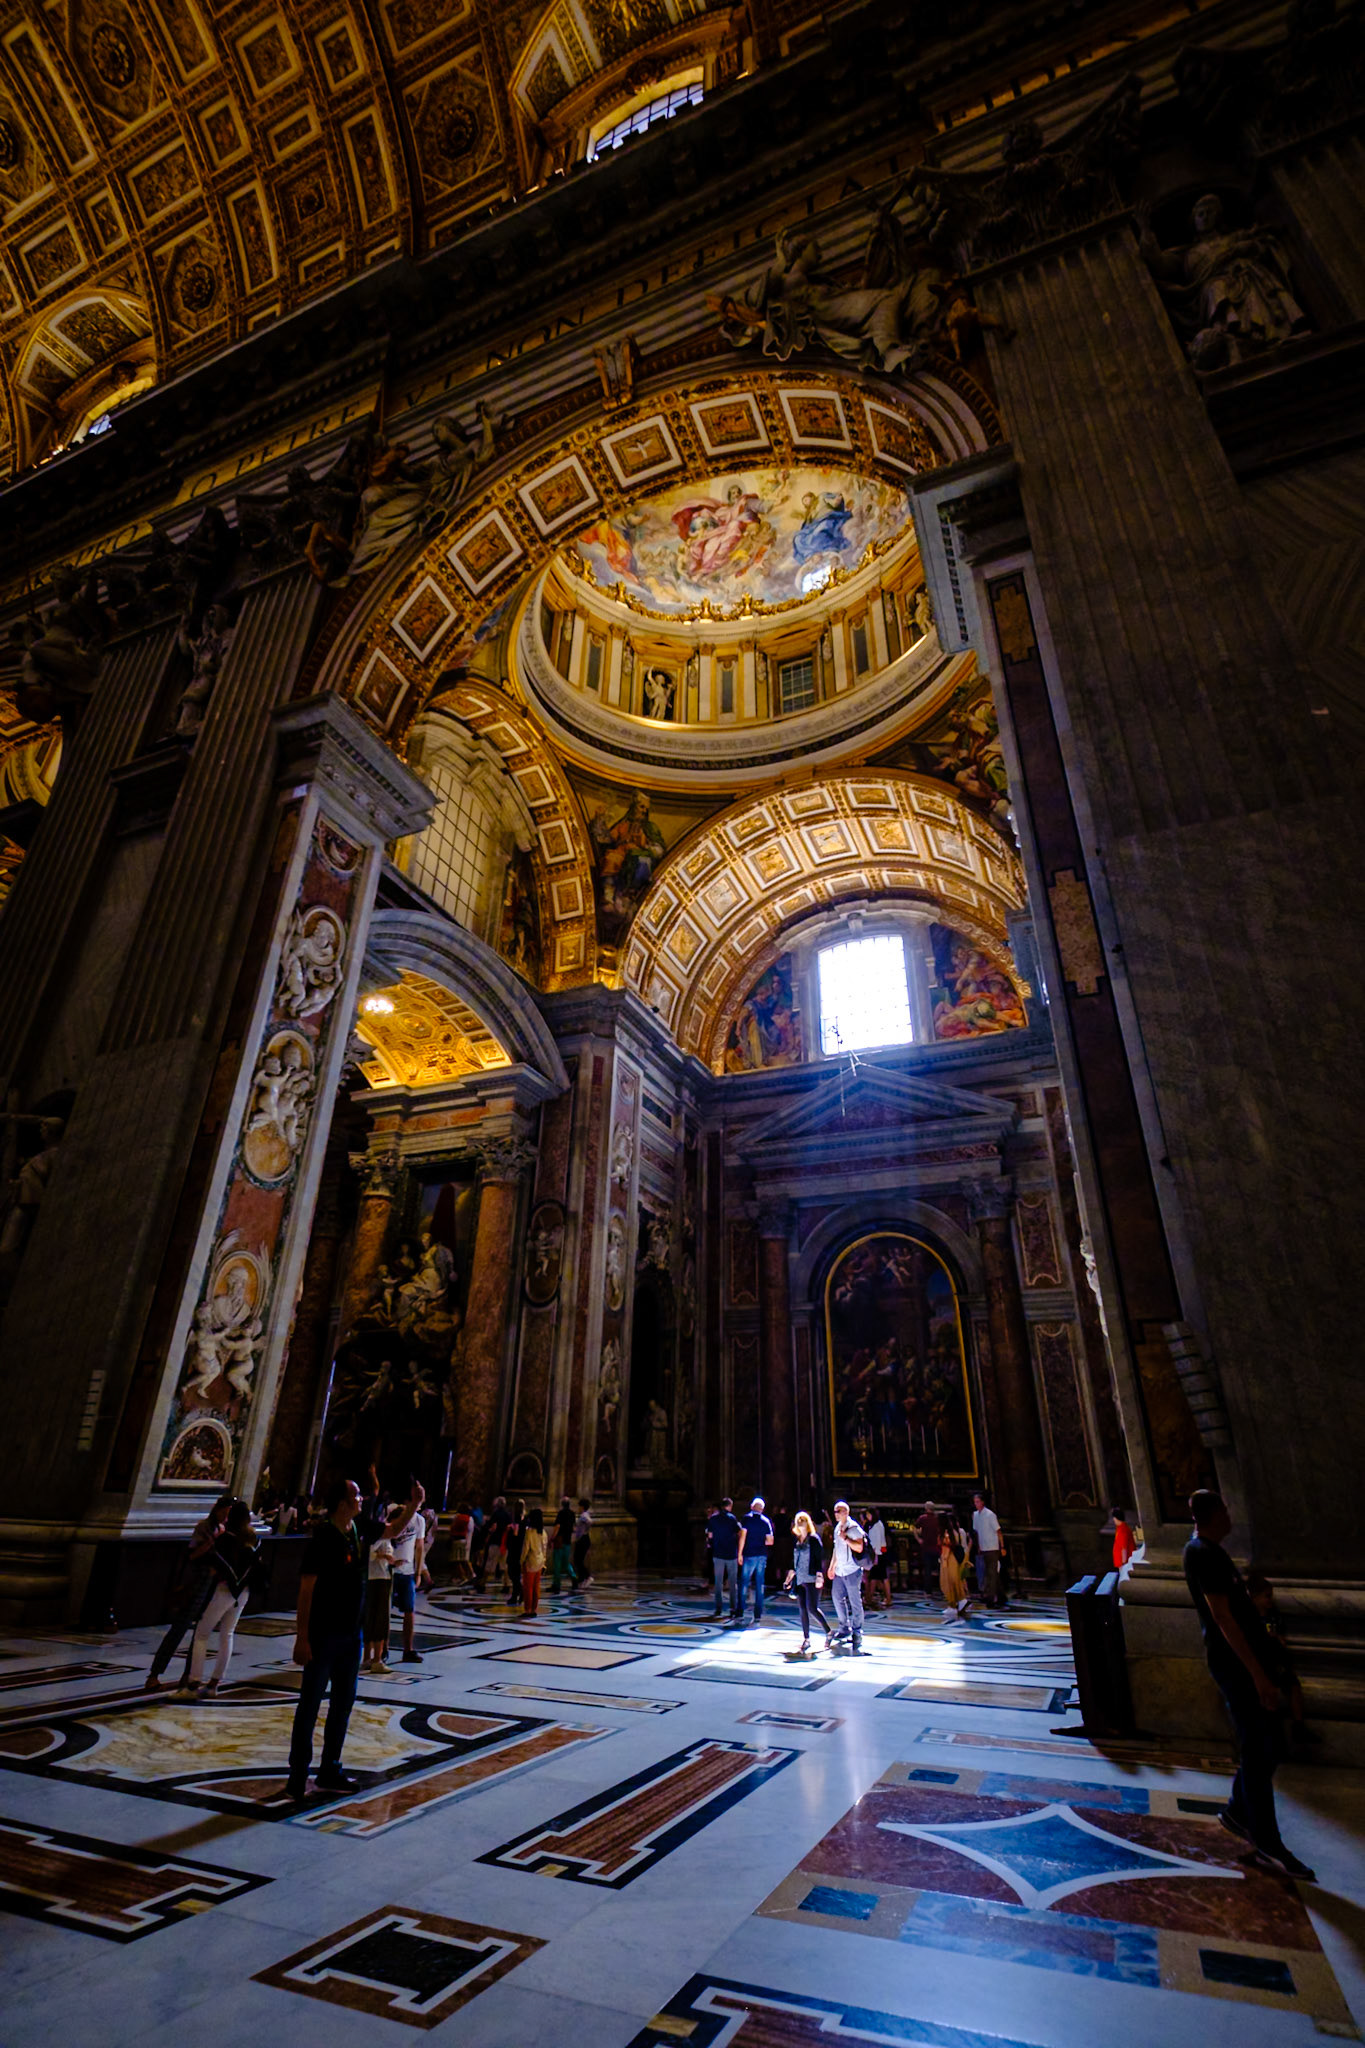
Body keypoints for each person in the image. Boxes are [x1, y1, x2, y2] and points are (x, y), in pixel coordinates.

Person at [1183, 1489, 1314, 1880]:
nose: (1230, 1515)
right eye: (1225, 1509)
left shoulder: (1212, 1552)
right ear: (1212, 1514)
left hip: (1247, 1662)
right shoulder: (1202, 1553)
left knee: (1267, 1745)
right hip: (1236, 1666)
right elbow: (1223, 1618)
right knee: (1258, 1750)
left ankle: (1240, 1812)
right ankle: (1267, 1842)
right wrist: (1257, 1675)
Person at [288, 1477, 368, 1801]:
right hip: (323, 1635)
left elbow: (390, 1531)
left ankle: (330, 1768)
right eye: (357, 1494)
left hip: (352, 1636)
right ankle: (298, 1773)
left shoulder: (354, 1534)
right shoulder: (323, 1537)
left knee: (342, 1704)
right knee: (310, 1704)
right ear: (342, 1503)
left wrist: (416, 1504)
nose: (362, 1499)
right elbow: (306, 1589)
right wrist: (302, 1637)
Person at [145, 1491, 235, 1691]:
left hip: (213, 1585)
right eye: (226, 1512)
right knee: (179, 1629)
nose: (227, 1517)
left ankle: (189, 1675)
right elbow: (193, 1555)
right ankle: (154, 1674)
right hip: (197, 1583)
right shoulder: (204, 1527)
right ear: (218, 1510)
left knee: (200, 1634)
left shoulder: (226, 1529)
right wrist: (213, 1541)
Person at [184, 1500, 262, 1696]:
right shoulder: (255, 1539)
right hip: (243, 1592)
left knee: (201, 1633)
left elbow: (214, 1561)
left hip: (224, 1590)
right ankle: (214, 1684)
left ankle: (193, 1683)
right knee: (227, 1634)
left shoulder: (226, 1538)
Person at [1247, 1571, 1319, 1749]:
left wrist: (1278, 1639)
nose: (1270, 1601)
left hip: (1277, 1661)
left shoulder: (1273, 1615)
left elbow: (1279, 1634)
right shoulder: (1249, 1619)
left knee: (1293, 1686)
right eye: (1266, 1597)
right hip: (1262, 1665)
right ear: (1253, 1598)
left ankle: (1298, 1725)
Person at [783, 1511, 832, 1653]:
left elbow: (819, 1558)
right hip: (800, 1578)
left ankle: (828, 1631)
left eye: (803, 1521)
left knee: (812, 1608)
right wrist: (790, 1576)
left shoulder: (814, 1539)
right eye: (798, 1521)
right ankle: (806, 1638)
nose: (800, 1524)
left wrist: (819, 1575)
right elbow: (794, 1560)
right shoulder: (798, 1541)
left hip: (811, 1578)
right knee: (802, 1609)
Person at [390, 1486, 428, 1664]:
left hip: (407, 1571)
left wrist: (418, 1572)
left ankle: (408, 1649)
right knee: (383, 1612)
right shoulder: (392, 1512)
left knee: (409, 1610)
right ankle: (380, 1649)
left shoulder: (419, 1521)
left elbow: (419, 1547)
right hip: (388, 1569)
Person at [828, 1500, 868, 1653]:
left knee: (854, 1600)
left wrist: (846, 1538)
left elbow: (859, 1547)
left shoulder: (854, 1528)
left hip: (852, 1569)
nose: (835, 1514)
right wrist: (832, 1566)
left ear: (846, 1512)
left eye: (838, 1511)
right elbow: (835, 1549)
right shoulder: (837, 1528)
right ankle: (844, 1626)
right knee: (837, 1597)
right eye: (835, 1511)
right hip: (840, 1569)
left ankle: (857, 1630)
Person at [363, 1527, 395, 1675]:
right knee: (378, 1618)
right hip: (377, 1580)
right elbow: (368, 1554)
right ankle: (375, 1659)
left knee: (377, 1618)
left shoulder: (388, 1539)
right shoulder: (378, 1537)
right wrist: (383, 1556)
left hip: (384, 1577)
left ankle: (371, 1658)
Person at [737, 1495, 774, 1623]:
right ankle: (757, 1615)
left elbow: (742, 1536)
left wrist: (739, 1553)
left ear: (752, 1506)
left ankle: (740, 1613)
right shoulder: (766, 1521)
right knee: (759, 1585)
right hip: (761, 1555)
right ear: (762, 1509)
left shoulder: (747, 1519)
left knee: (744, 1584)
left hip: (749, 1554)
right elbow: (770, 1541)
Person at [706, 1496, 742, 1619]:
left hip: (718, 1554)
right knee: (732, 1582)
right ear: (730, 1506)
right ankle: (732, 1608)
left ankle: (718, 1608)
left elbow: (710, 1536)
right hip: (731, 1554)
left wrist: (714, 1546)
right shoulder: (732, 1519)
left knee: (718, 1582)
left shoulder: (713, 1519)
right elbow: (739, 1532)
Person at [971, 1490, 1004, 1606]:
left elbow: (998, 1531)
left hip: (993, 1547)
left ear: (982, 1502)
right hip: (983, 1547)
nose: (976, 1504)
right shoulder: (975, 1515)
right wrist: (978, 1546)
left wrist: (1002, 1546)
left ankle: (990, 1597)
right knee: (989, 1572)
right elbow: (977, 1532)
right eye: (975, 1502)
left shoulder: (990, 1515)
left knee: (992, 1573)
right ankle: (1001, 1596)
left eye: (978, 1501)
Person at [940, 1512, 972, 1620]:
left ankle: (953, 1604)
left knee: (949, 1581)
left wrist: (943, 1560)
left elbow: (946, 1548)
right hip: (955, 1559)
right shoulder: (955, 1532)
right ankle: (959, 1600)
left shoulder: (947, 1534)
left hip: (949, 1559)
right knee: (956, 1580)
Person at [521, 1507, 546, 1616]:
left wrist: (521, 1560)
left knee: (528, 1587)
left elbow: (526, 1548)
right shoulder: (543, 1532)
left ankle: (528, 1610)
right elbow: (545, 1549)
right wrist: (544, 1561)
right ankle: (534, 1609)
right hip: (540, 1561)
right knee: (536, 1587)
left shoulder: (529, 1532)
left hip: (531, 1561)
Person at [865, 1506, 891, 1610]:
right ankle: (871, 1598)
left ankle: (870, 1598)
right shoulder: (878, 1525)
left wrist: (875, 1557)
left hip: (877, 1555)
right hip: (879, 1554)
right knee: (878, 1578)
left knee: (876, 1577)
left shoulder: (876, 1526)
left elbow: (876, 1542)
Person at [549, 1495, 575, 1594]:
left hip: (559, 1541)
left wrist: (552, 1538)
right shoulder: (572, 1514)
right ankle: (573, 1577)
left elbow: (558, 1526)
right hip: (568, 1541)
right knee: (566, 1562)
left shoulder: (561, 1513)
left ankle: (556, 1584)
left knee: (557, 1563)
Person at [915, 1502, 941, 1598]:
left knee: (928, 1570)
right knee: (940, 1569)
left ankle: (928, 1591)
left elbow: (915, 1529)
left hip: (927, 1548)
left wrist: (919, 1539)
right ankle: (943, 1589)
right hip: (937, 1548)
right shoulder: (937, 1518)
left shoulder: (923, 1518)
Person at [571, 1497, 593, 1589]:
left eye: (579, 1506)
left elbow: (589, 1521)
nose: (578, 1508)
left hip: (583, 1539)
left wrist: (583, 1529)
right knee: (578, 1559)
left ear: (582, 1507)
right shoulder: (584, 1514)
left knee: (578, 1560)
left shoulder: (584, 1515)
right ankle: (581, 1580)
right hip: (583, 1538)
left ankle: (588, 1577)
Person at [450, 1501, 474, 1584]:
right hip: (465, 1540)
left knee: (456, 1560)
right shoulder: (469, 1518)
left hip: (457, 1540)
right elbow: (470, 1530)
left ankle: (463, 1576)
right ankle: (472, 1574)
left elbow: (452, 1528)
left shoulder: (457, 1517)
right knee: (465, 1559)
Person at [1112, 1507, 1137, 1572]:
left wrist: (1124, 1562)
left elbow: (1124, 1547)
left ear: (1116, 1518)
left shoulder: (1122, 1530)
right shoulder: (1121, 1527)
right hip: (1122, 1561)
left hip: (1124, 1562)